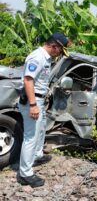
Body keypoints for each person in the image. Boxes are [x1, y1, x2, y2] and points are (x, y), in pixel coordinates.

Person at [18, 33, 69, 188]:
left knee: (40, 131)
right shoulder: (37, 57)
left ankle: (37, 156)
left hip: (39, 100)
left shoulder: (45, 58)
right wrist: (33, 105)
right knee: (31, 137)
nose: (59, 54)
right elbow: (28, 80)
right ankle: (25, 174)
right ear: (54, 46)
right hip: (32, 101)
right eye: (60, 50)